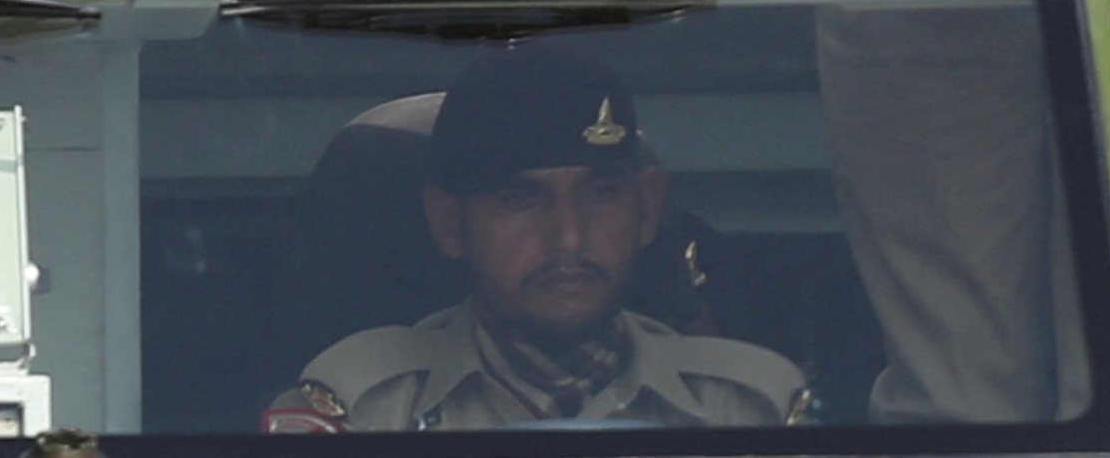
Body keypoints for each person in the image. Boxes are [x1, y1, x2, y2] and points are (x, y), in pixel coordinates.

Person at [265, 43, 812, 431]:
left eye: (600, 195)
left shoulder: (749, 406)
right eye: (519, 200)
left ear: (646, 209)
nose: (569, 238)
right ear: (449, 223)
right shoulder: (363, 408)